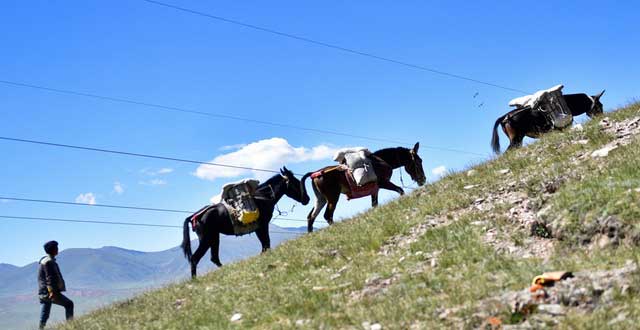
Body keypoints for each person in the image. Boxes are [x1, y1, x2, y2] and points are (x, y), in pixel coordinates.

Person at [38, 240, 73, 329]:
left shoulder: (45, 261)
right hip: (49, 292)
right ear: (53, 250)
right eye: (56, 248)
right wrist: (51, 292)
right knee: (69, 304)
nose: (58, 249)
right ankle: (71, 326)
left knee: (44, 315)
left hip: (43, 292)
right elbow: (50, 278)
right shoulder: (49, 262)